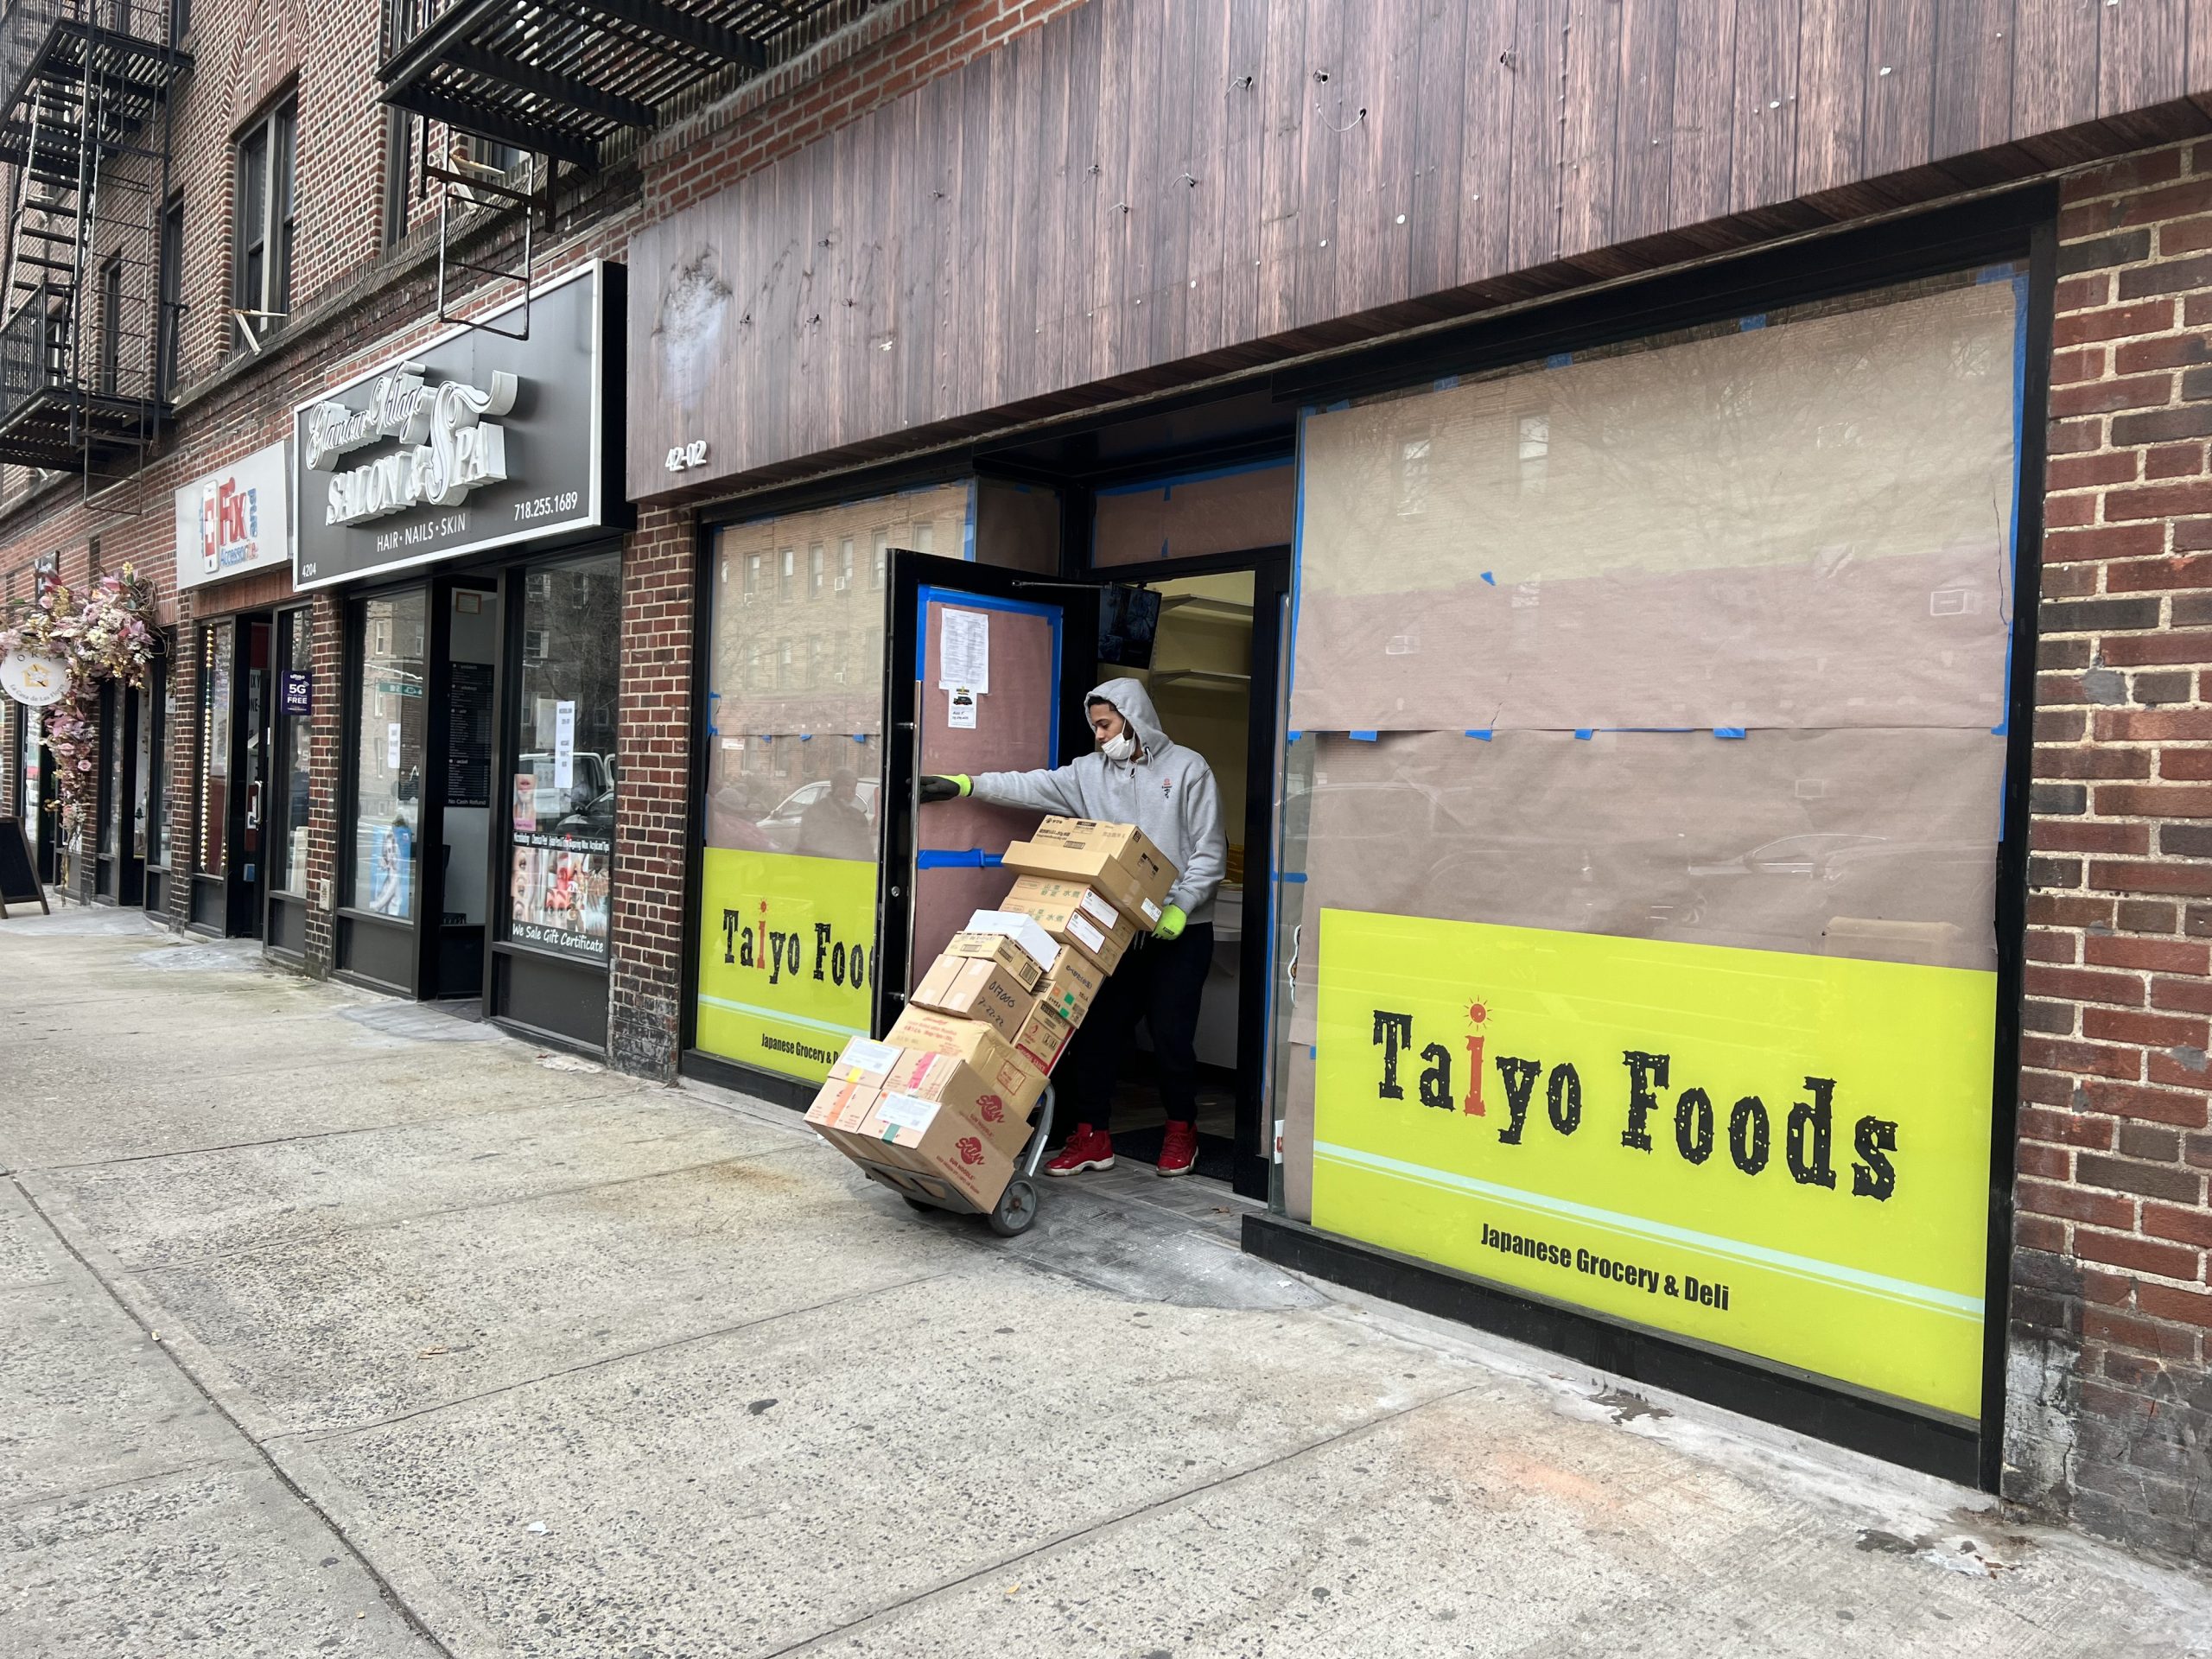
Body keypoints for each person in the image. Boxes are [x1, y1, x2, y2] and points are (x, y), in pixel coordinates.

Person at [920, 677, 1225, 1179]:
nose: (1100, 736)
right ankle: (1092, 1136)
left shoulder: (1189, 769)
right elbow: (1029, 785)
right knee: (1096, 1033)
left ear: (1133, 718)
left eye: (1106, 725)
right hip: (1115, 930)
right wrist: (967, 785)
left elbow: (1210, 850)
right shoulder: (1087, 774)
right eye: (1095, 728)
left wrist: (1183, 906)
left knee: (1171, 1035)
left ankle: (1181, 1131)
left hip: (1180, 931)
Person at [798, 766, 874, 860]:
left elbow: (866, 851)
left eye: (854, 787)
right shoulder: (815, 813)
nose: (852, 791)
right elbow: (805, 848)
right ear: (836, 787)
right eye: (848, 785)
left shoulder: (858, 817)